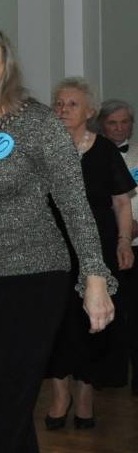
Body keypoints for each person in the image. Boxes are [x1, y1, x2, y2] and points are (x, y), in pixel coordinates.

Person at [0, 23, 116, 451]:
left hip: (33, 276)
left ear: (5, 65)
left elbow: (74, 203)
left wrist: (94, 277)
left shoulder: (36, 122)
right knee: (5, 403)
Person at [44, 81, 135, 429]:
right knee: (55, 323)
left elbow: (122, 203)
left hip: (98, 251)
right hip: (52, 250)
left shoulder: (105, 150)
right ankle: (59, 396)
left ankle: (84, 396)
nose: (63, 109)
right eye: (58, 103)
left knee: (91, 325)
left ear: (89, 112)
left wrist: (124, 241)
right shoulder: (45, 147)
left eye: (72, 104)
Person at [97, 99, 138, 395]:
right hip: (104, 246)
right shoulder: (92, 154)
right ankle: (108, 376)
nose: (120, 128)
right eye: (113, 122)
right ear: (102, 124)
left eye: (125, 122)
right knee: (108, 311)